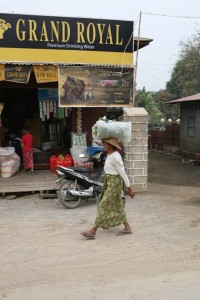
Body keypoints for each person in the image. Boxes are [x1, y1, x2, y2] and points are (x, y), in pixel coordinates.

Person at [81, 137, 135, 240]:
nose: (103, 145)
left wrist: (129, 188)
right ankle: (127, 227)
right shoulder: (109, 155)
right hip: (110, 183)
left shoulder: (115, 157)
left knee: (103, 205)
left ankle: (93, 230)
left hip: (114, 184)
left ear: (110, 145)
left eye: (104, 144)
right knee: (118, 206)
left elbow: (122, 173)